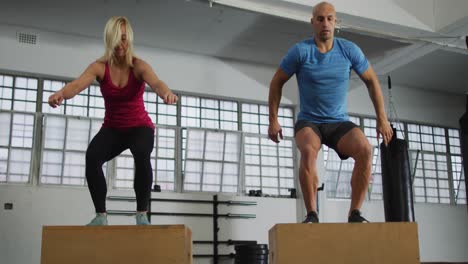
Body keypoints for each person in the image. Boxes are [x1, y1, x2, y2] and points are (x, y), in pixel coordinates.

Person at [268, 2, 393, 223]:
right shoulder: (301, 51)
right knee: (308, 151)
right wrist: (273, 120)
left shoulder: (349, 50)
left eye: (329, 18)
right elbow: (277, 82)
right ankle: (312, 214)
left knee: (365, 149)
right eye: (320, 19)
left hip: (338, 122)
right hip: (309, 121)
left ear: (336, 22)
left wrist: (382, 120)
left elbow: (372, 81)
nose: (325, 23)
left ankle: (355, 213)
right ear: (312, 23)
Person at [48, 16, 178, 226]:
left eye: (124, 38)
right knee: (92, 157)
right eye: (116, 39)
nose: (120, 44)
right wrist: (61, 93)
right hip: (113, 129)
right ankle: (101, 216)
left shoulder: (139, 66)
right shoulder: (99, 67)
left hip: (139, 127)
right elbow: (77, 85)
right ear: (109, 40)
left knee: (142, 155)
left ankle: (141, 214)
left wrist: (167, 93)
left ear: (130, 40)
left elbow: (157, 83)